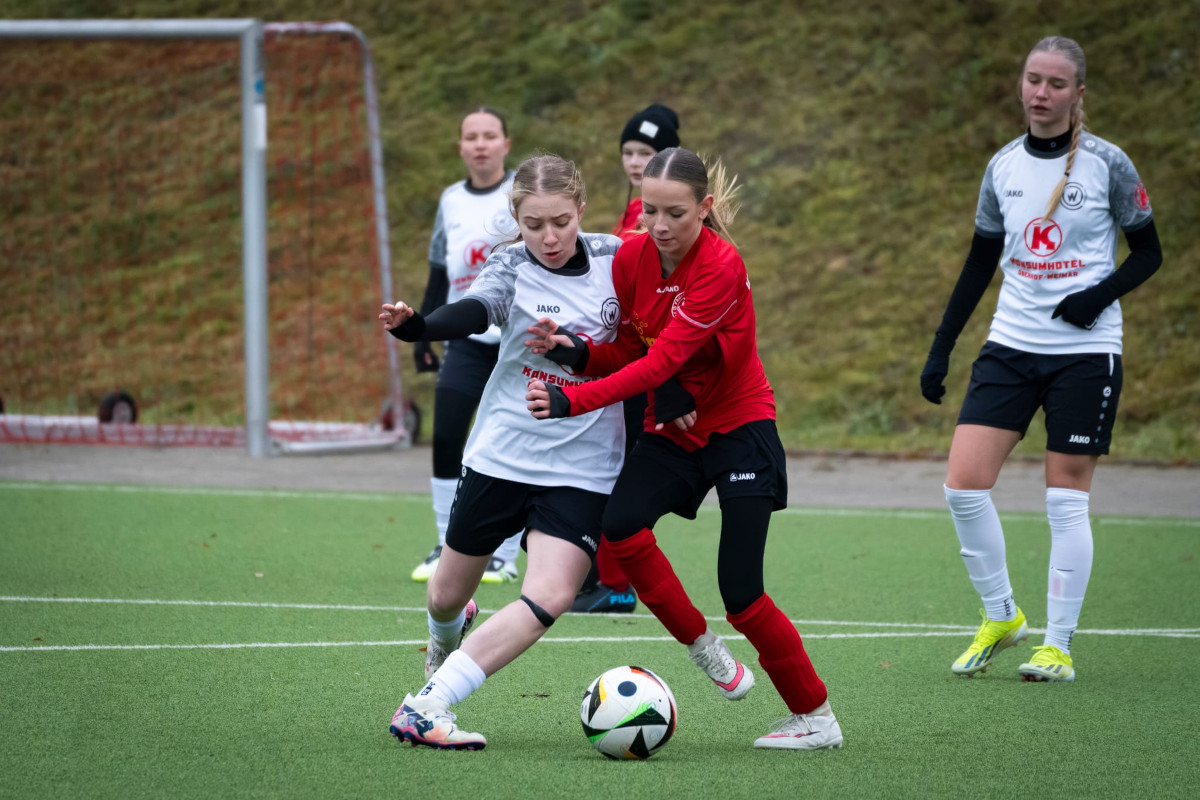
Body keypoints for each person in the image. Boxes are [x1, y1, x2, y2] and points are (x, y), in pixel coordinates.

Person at [525, 147, 843, 750]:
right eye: (649, 211)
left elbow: (664, 360)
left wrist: (574, 398)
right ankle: (703, 649)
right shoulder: (634, 257)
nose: (660, 226)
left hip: (739, 423)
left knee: (742, 590)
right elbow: (629, 349)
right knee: (620, 526)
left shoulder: (722, 265)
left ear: (706, 206)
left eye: (675, 212)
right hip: (672, 429)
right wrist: (577, 353)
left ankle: (817, 718)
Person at [921, 36, 1161, 683]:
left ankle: (1057, 645)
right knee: (963, 486)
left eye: (1057, 83)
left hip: (1085, 353)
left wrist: (1095, 297)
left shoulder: (1109, 164)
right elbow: (979, 263)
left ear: (1078, 94)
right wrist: (941, 350)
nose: (1041, 93)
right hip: (1010, 346)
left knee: (1065, 500)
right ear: (1021, 85)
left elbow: (1148, 252)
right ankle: (1002, 615)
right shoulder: (1003, 167)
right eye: (1033, 80)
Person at [384, 154, 627, 750]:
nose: (549, 236)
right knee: (446, 594)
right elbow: (478, 309)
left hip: (585, 461)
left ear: (582, 211)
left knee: (552, 593)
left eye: (561, 222)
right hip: (504, 453)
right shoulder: (511, 262)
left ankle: (429, 704)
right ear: (516, 218)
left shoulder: (620, 257)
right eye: (535, 222)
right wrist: (421, 328)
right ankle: (446, 641)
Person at [572, 104, 682, 615]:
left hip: (650, 371)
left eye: (648, 153)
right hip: (625, 362)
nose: (636, 162)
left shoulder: (663, 224)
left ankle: (617, 584)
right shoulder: (630, 213)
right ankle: (597, 575)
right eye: (629, 152)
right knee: (609, 465)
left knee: (623, 472)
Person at [408, 107, 525, 585]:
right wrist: (423, 329)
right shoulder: (451, 199)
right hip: (466, 338)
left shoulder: (523, 191)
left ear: (505, 143)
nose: (480, 144)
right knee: (448, 435)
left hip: (519, 341)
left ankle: (504, 554)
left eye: (489, 136)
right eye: (471, 137)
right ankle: (445, 543)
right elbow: (440, 269)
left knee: (510, 441)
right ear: (460, 147)